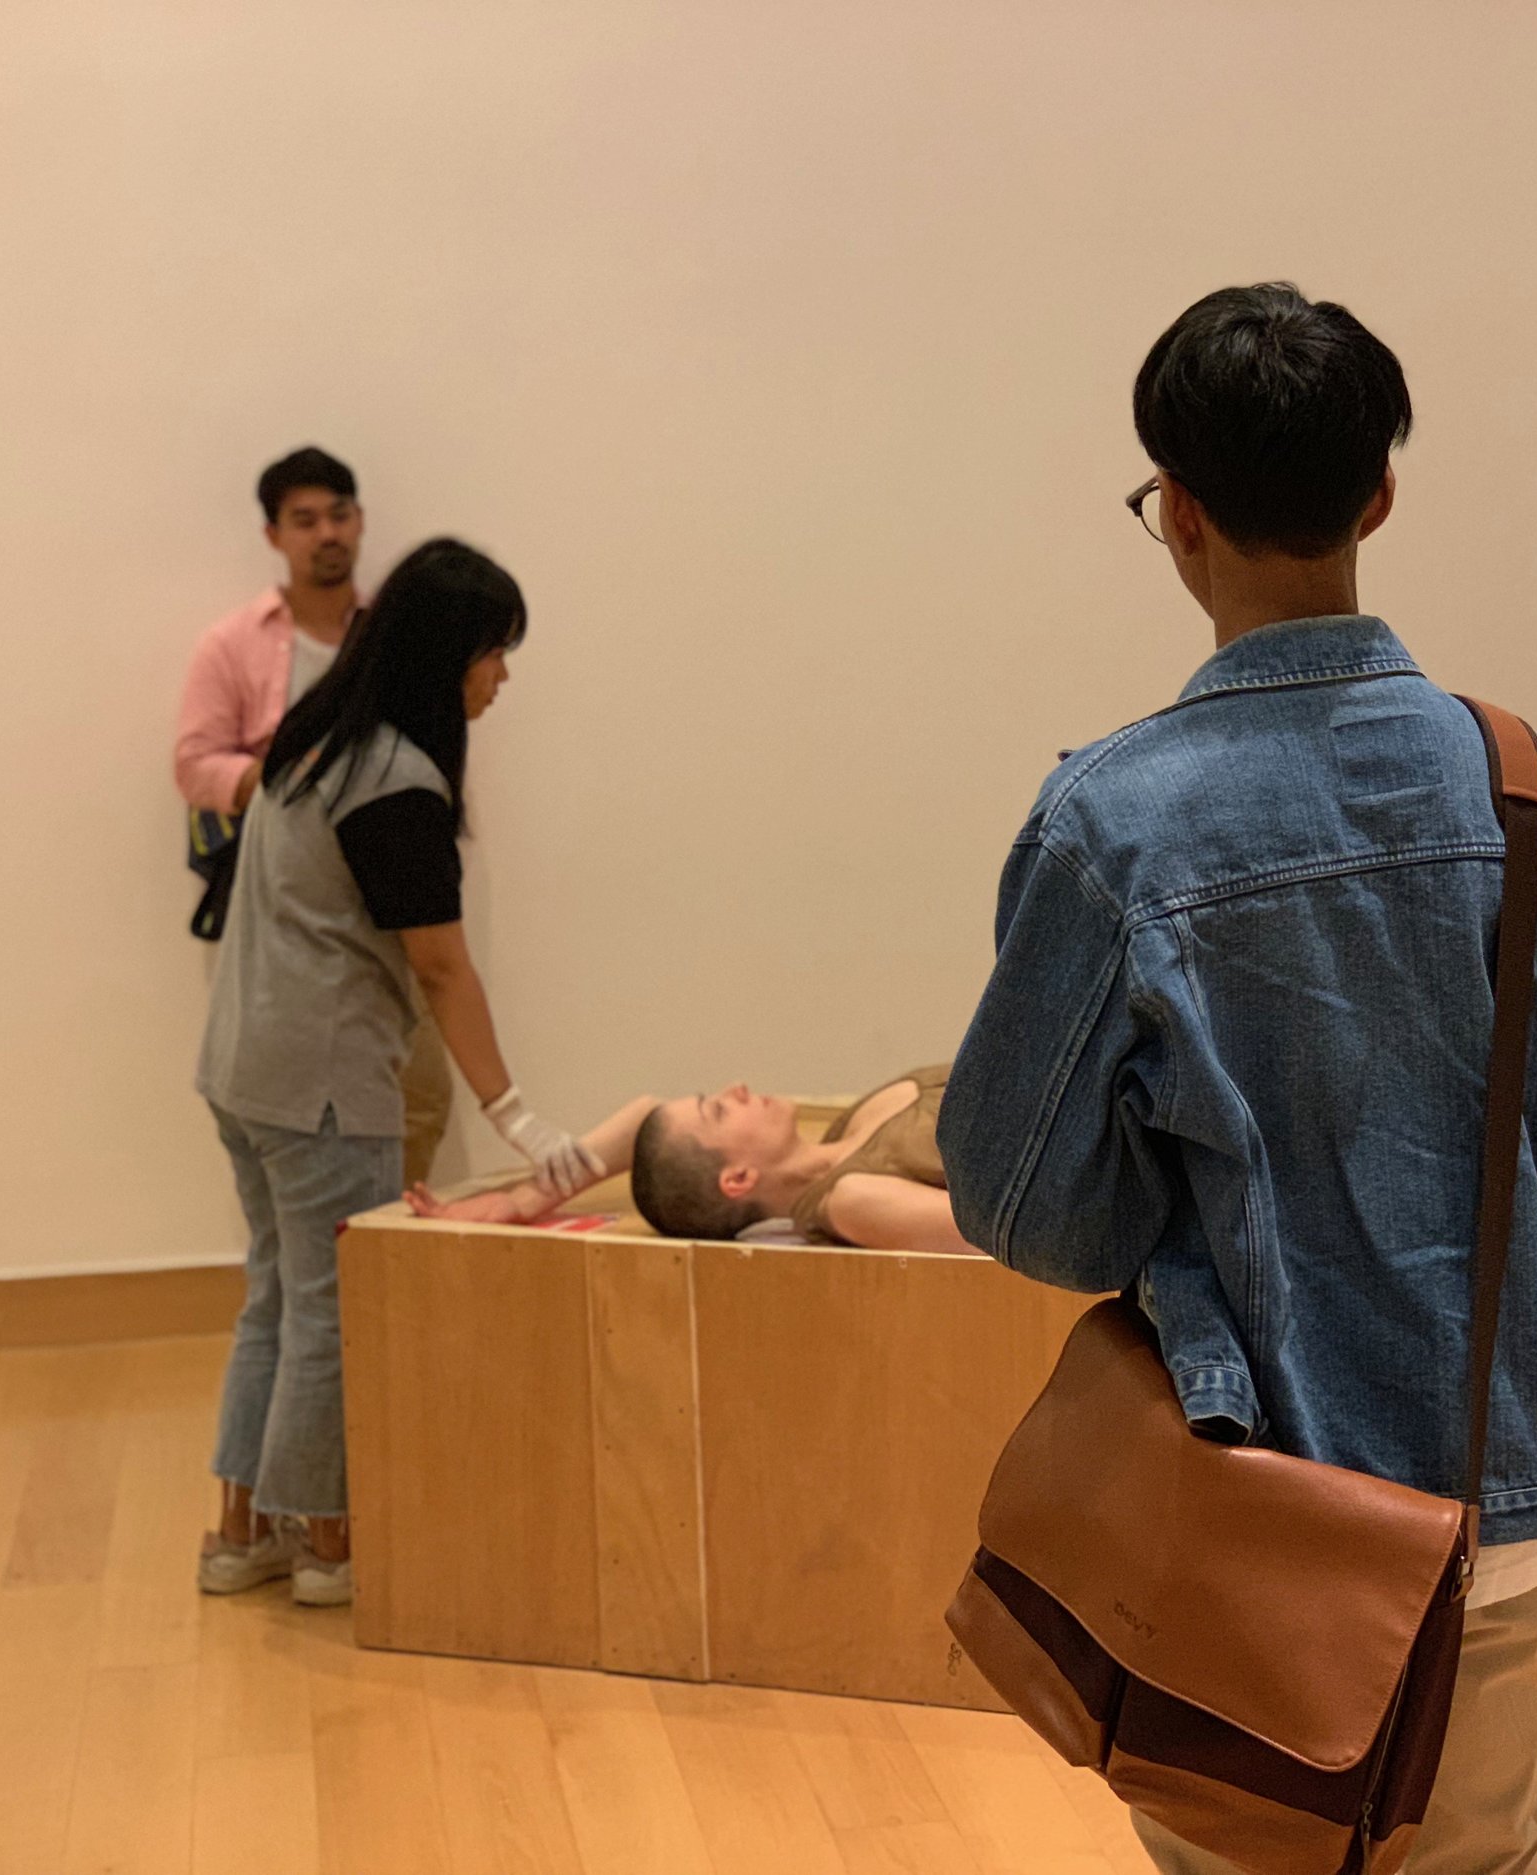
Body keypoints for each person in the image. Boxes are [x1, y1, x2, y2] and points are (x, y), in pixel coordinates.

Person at [938, 284, 1537, 1875]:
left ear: (1179, 512)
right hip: (1497, 1489)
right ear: (1378, 494)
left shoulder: (1115, 821)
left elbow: (1029, 1204)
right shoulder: (1527, 788)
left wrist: (1180, 1224)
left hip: (1254, 1501)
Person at [194, 537, 615, 1606]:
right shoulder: (394, 780)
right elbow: (438, 963)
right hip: (324, 1082)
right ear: (444, 656)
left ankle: (243, 1532)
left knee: (275, 1296)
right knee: (335, 1309)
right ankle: (329, 1545)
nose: (501, 677)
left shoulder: (316, 736)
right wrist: (516, 1117)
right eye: (492, 653)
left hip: (242, 1065)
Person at [173, 446, 454, 1189]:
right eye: (305, 520)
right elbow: (194, 763)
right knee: (289, 1113)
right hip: (289, 912)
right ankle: (335, 1244)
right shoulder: (233, 643)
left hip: (397, 903)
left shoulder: (393, 639)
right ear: (274, 535)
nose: (326, 533)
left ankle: (392, 1238)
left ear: (359, 521)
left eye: (339, 514)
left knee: (422, 1095)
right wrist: (289, 784)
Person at [416, 1066, 982, 1256]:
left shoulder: (843, 1130)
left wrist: (526, 1198)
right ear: (738, 1178)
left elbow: (647, 1117)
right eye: (718, 1110)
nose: (737, 1088)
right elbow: (1011, 1234)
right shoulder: (854, 1199)